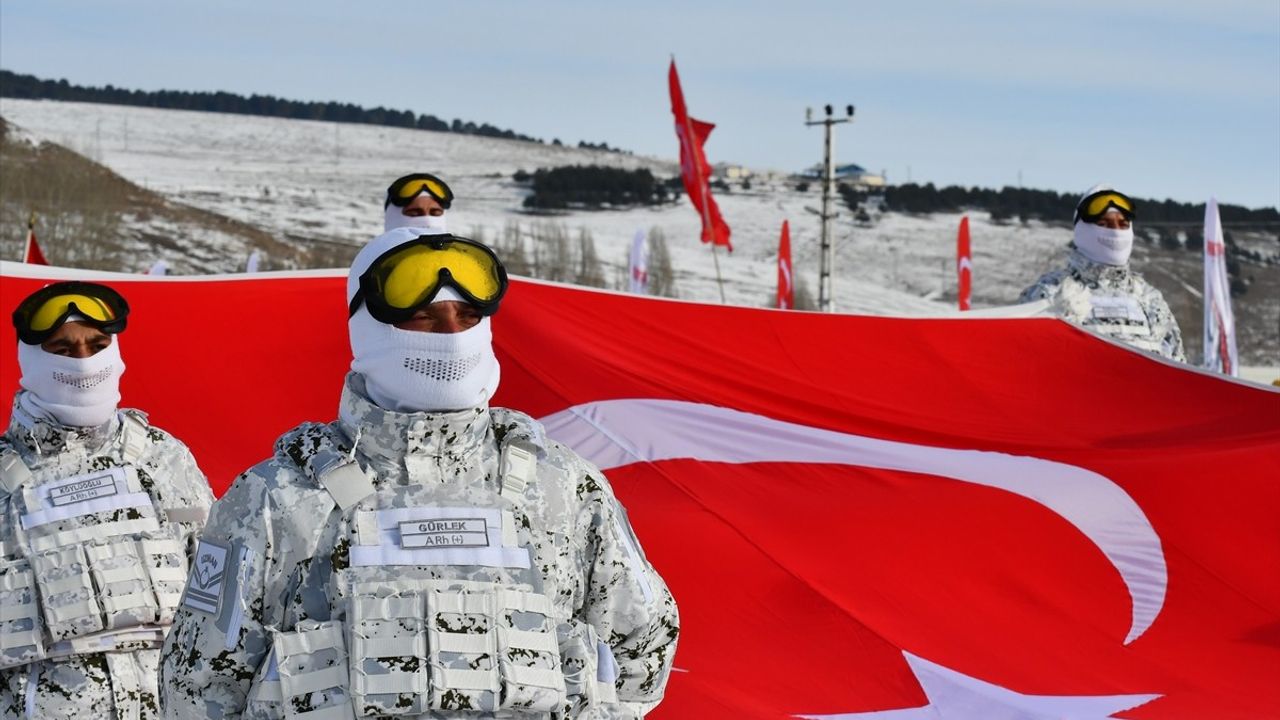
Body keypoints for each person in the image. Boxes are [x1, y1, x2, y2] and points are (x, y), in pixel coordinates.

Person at [161, 228, 679, 718]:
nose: (452, 335)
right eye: (425, 318)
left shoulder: (564, 488)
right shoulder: (275, 499)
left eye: (467, 316)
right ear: (367, 327)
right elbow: (199, 683)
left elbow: (645, 647)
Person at [0, 281, 213, 719]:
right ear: (33, 361)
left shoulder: (162, 457)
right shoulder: (5, 482)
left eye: (97, 345)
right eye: (64, 349)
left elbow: (220, 599)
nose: (84, 362)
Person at [1020, 184, 1186, 361]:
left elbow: (1177, 369)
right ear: (1081, 231)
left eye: (1122, 225)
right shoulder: (1049, 293)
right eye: (1104, 224)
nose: (1115, 232)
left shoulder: (1150, 299)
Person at [384, 172, 454, 232]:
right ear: (392, 217)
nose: (427, 221)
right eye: (414, 213)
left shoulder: (460, 247)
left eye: (435, 213)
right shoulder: (375, 248)